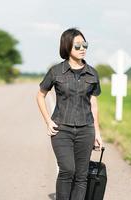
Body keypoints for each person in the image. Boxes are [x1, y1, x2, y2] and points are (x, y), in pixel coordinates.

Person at [36, 27, 103, 200]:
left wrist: (97, 132)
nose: (83, 49)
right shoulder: (56, 71)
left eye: (85, 44)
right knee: (67, 170)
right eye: (78, 46)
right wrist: (48, 121)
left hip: (86, 130)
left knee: (81, 176)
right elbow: (40, 95)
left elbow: (93, 103)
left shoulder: (92, 73)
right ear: (67, 47)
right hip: (62, 129)